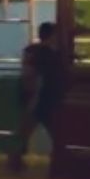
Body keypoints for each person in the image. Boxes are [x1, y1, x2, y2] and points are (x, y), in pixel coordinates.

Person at [12, 21, 63, 170]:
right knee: (56, 130)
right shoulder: (51, 54)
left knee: (25, 130)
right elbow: (37, 77)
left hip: (33, 96)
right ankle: (59, 159)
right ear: (52, 35)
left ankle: (15, 158)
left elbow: (28, 74)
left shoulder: (31, 50)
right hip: (44, 97)